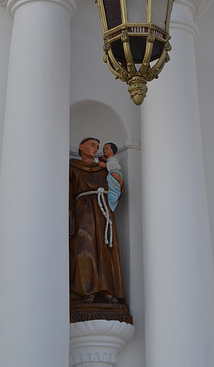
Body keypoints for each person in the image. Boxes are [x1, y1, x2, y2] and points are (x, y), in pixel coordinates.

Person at [69, 137, 131, 322]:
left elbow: (116, 187)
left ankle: (107, 291)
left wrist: (119, 183)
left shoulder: (104, 168)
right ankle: (84, 292)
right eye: (91, 144)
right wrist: (70, 216)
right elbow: (68, 192)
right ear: (80, 147)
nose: (95, 148)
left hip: (103, 211)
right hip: (83, 212)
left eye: (97, 146)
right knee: (83, 251)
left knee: (106, 250)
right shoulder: (73, 167)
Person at [101, 142, 123, 211]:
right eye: (103, 149)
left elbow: (105, 166)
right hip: (112, 175)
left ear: (112, 150)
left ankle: (111, 202)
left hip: (114, 176)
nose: (104, 150)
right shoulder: (108, 160)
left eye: (107, 148)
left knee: (113, 190)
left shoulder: (113, 160)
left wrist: (98, 163)